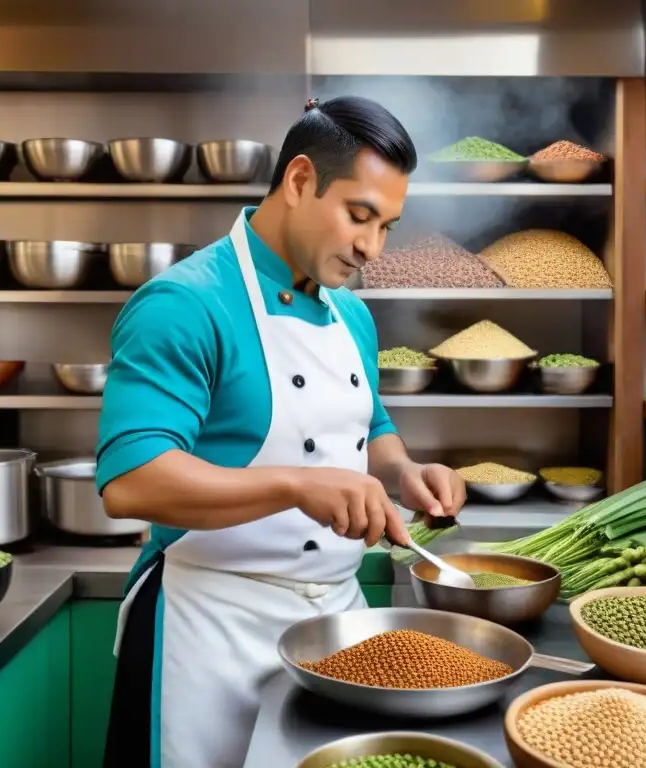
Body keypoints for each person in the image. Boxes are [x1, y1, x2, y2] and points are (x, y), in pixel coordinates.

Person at [97, 95, 467, 768]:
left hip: (334, 628)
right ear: (299, 181)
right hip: (208, 626)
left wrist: (405, 472)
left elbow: (369, 420)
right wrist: (297, 485)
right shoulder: (184, 304)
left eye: (387, 226)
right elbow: (131, 481)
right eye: (360, 216)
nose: (372, 248)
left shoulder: (351, 314)